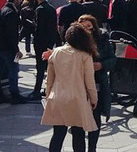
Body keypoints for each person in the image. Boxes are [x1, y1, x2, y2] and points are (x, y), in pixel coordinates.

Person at [41, 23, 98, 152]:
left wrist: (48, 95)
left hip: (58, 97)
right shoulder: (85, 55)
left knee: (58, 135)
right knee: (78, 135)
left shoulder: (56, 52)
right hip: (77, 99)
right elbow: (90, 82)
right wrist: (94, 99)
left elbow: (49, 79)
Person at [77, 15, 116, 152]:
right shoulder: (75, 39)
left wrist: (101, 65)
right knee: (79, 120)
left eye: (90, 27)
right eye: (84, 27)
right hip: (79, 83)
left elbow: (113, 59)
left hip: (98, 81)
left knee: (95, 116)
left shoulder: (102, 38)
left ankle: (92, 148)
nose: (87, 30)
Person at [0, 0, 26, 104]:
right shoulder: (11, 13)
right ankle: (14, 94)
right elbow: (11, 33)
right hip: (8, 47)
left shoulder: (2, 10)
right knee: (13, 70)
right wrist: (16, 50)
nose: (20, 1)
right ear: (15, 0)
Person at [30, 0, 59, 99]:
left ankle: (37, 90)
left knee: (40, 66)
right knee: (48, 66)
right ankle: (48, 88)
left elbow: (39, 27)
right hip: (49, 40)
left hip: (41, 41)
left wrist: (31, 25)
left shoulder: (40, 9)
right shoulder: (51, 9)